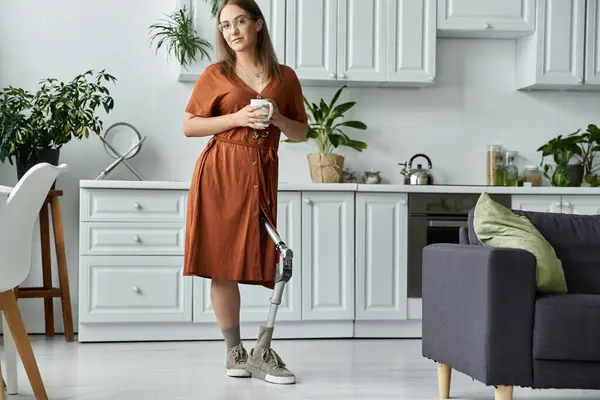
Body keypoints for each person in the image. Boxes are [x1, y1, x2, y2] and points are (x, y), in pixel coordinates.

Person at [182, 0, 308, 385]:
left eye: (239, 21)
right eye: (224, 26)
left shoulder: (284, 77)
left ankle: (263, 349)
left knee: (272, 257)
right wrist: (237, 118)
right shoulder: (215, 74)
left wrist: (278, 117)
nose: (232, 31)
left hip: (261, 173)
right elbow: (189, 125)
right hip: (220, 173)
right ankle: (235, 351)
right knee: (221, 264)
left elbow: (301, 132)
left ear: (257, 23)